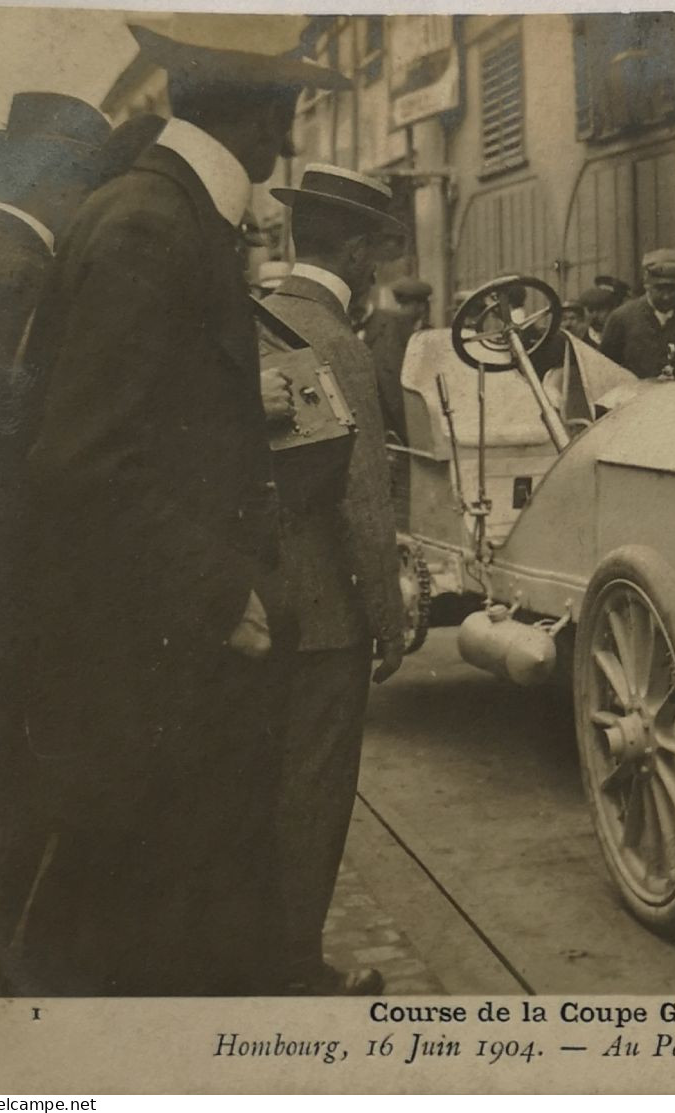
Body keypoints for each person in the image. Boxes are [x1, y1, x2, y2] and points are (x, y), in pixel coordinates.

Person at [16, 22, 349, 996]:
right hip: (154, 679)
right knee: (140, 952)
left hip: (163, 670)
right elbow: (81, 463)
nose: (287, 136)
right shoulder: (153, 231)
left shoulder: (161, 217)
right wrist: (223, 595)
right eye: (286, 109)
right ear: (263, 117)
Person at [0, 89, 109, 989]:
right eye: (88, 184)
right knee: (0, 778)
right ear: (53, 182)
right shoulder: (11, 268)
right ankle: (0, 982)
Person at [261, 162, 407, 995]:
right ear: (353, 251)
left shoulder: (257, 318)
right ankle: (293, 968)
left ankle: (254, 949)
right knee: (313, 797)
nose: (375, 268)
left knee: (258, 786)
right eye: (374, 251)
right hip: (325, 618)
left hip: (258, 605)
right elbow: (360, 496)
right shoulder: (336, 339)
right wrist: (387, 616)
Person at [599, 248, 675, 379]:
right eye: (659, 289)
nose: (666, 296)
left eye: (672, 289)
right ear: (647, 284)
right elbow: (605, 371)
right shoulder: (621, 319)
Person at [358, 275, 430, 441]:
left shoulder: (425, 335)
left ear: (421, 307)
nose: (400, 309)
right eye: (399, 303)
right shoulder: (384, 331)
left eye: (406, 304)